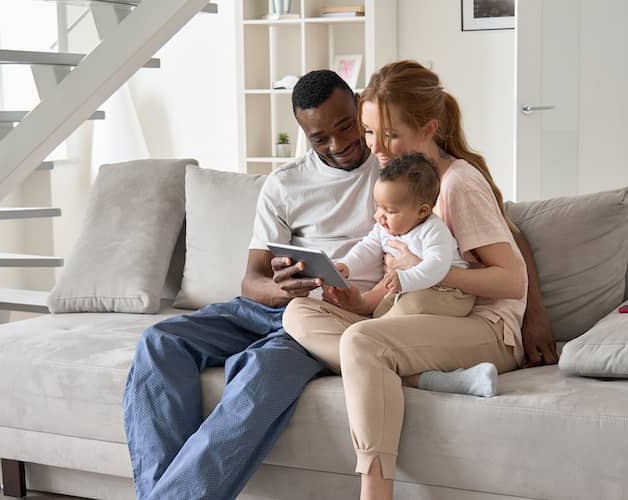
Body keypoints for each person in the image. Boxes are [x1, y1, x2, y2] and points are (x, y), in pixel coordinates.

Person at [282, 60, 552, 500]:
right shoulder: (399, 180)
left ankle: (374, 489)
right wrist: (357, 299)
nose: (377, 147)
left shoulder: (457, 184)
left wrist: (430, 271)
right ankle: (419, 378)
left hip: (485, 330)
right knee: (298, 312)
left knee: (361, 343)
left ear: (428, 128)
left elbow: (511, 281)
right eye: (370, 132)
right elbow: (385, 262)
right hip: (415, 317)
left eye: (390, 134)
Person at [122, 69, 382, 500]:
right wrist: (282, 288)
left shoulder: (396, 168)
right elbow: (251, 281)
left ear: (358, 106)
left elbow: (496, 226)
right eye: (320, 138)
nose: (338, 145)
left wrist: (532, 321)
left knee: (259, 371)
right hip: (274, 308)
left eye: (346, 125)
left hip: (329, 320)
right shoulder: (285, 184)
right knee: (160, 341)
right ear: (305, 135)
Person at [335, 152, 475, 320]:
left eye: (390, 211)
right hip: (410, 287)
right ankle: (374, 326)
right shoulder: (383, 228)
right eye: (379, 206)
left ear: (422, 211)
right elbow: (367, 247)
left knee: (411, 305)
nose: (380, 216)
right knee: (382, 310)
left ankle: (378, 331)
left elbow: (437, 265)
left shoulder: (433, 230)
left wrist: (406, 278)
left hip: (449, 293)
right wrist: (347, 265)